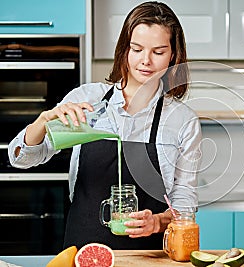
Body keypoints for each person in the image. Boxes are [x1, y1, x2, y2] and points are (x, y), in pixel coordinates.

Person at [8, 1, 202, 250]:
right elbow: (22, 159)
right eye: (137, 49)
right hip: (83, 249)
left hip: (150, 255)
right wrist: (44, 120)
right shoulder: (86, 100)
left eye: (159, 52)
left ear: (173, 55)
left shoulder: (182, 120)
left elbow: (184, 205)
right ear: (124, 49)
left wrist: (157, 222)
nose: (146, 61)